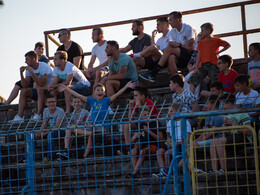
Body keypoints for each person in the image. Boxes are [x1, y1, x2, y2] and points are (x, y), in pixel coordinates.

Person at [57, 81, 136, 156]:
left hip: (102, 127)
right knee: (71, 128)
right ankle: (66, 150)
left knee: (91, 137)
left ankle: (85, 155)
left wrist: (126, 86)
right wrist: (67, 89)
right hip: (92, 127)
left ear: (104, 93)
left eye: (102, 90)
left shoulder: (106, 100)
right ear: (94, 93)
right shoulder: (92, 101)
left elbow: (116, 95)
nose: (100, 91)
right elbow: (78, 96)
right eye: (98, 90)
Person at [141, 11, 197, 82]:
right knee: (171, 58)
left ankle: (154, 72)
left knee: (170, 48)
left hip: (191, 55)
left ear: (178, 20)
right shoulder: (173, 31)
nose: (169, 22)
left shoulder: (188, 28)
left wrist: (179, 45)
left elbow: (191, 48)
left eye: (170, 20)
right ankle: (177, 83)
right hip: (180, 55)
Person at [210, 93, 251, 172]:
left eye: (223, 105)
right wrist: (226, 128)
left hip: (243, 137)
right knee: (213, 142)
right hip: (233, 138)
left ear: (229, 103)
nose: (222, 108)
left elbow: (249, 132)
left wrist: (233, 123)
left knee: (219, 141)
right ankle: (214, 170)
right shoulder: (228, 115)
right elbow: (229, 135)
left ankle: (223, 169)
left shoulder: (242, 113)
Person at [9, 51, 53, 123]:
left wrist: (32, 73)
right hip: (40, 90)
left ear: (33, 59)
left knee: (39, 89)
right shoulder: (29, 69)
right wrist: (21, 74)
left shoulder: (44, 66)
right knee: (23, 91)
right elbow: (25, 85)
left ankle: (38, 115)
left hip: (49, 90)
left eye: (27, 60)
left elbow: (41, 84)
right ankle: (20, 116)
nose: (25, 62)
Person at [152, 103, 192, 179]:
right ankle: (163, 170)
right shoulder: (170, 122)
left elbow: (188, 138)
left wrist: (175, 143)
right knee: (159, 151)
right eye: (169, 111)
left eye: (171, 111)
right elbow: (169, 136)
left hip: (181, 144)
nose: (169, 113)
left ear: (178, 111)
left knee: (167, 153)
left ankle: (168, 172)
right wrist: (169, 141)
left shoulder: (185, 122)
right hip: (173, 143)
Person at [189, 22, 231, 94]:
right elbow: (199, 54)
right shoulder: (201, 43)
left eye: (203, 30)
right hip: (204, 65)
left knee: (215, 83)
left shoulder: (216, 40)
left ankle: (215, 99)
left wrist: (219, 52)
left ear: (208, 31)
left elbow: (227, 45)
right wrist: (196, 67)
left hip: (213, 65)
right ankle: (190, 98)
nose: (201, 32)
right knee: (192, 80)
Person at [118, 85, 160, 155]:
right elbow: (130, 119)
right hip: (142, 124)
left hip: (152, 123)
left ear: (143, 96)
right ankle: (128, 147)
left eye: (136, 95)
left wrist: (140, 106)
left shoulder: (149, 102)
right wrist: (130, 107)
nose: (134, 98)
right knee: (126, 125)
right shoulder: (136, 103)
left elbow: (146, 116)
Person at [125, 106, 163, 179]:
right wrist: (135, 136)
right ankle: (137, 174)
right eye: (145, 115)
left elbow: (160, 138)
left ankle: (134, 173)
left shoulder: (155, 123)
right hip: (142, 145)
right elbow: (131, 141)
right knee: (133, 151)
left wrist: (149, 131)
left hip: (153, 145)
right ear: (141, 116)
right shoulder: (140, 125)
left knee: (143, 151)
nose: (147, 116)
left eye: (148, 114)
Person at [34, 93, 68, 161]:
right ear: (46, 103)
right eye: (49, 102)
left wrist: (44, 134)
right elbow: (44, 125)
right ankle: (27, 157)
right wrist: (40, 132)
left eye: (53, 102)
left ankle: (50, 157)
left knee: (50, 135)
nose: (51, 104)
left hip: (62, 130)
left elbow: (57, 127)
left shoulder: (60, 111)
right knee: (32, 136)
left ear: (56, 102)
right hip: (51, 130)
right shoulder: (45, 111)